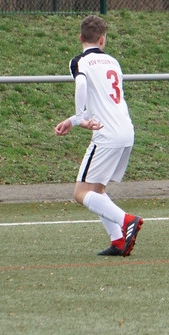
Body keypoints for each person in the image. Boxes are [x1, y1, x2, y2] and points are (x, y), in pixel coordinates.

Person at [54, 15, 143, 257]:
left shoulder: (79, 61)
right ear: (103, 40)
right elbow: (105, 99)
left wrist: (78, 116)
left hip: (105, 133)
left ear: (80, 38)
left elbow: (82, 85)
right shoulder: (113, 62)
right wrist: (74, 121)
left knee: (81, 193)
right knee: (97, 190)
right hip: (125, 130)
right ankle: (118, 241)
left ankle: (126, 220)